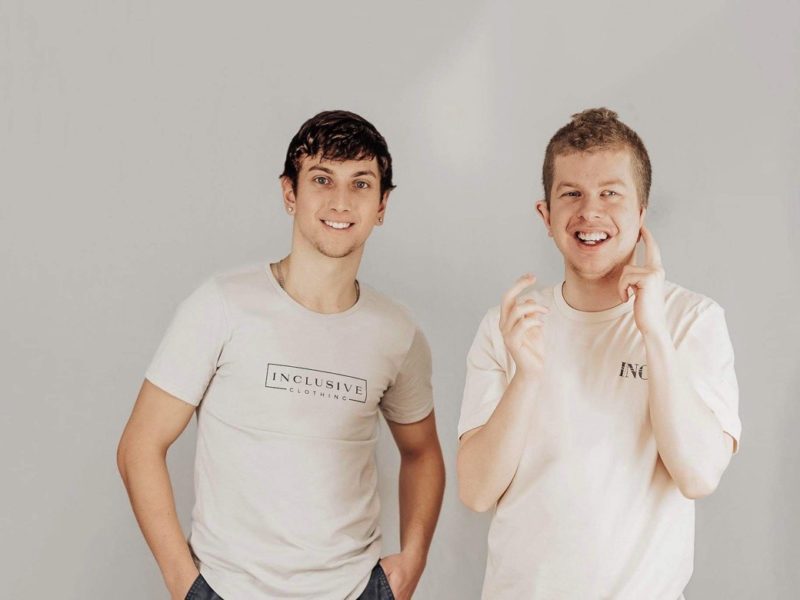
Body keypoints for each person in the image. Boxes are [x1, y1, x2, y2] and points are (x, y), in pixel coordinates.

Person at [117, 110, 445, 600]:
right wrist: (184, 584)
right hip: (230, 589)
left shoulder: (396, 331)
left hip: (356, 590)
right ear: (290, 193)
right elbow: (138, 447)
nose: (340, 201)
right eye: (321, 179)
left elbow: (422, 453)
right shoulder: (222, 305)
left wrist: (412, 561)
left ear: (382, 205)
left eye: (361, 183)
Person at [457, 108, 741, 599]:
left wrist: (653, 335)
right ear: (546, 216)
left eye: (611, 193)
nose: (590, 212)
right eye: (571, 194)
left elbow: (697, 475)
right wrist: (526, 376)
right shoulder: (508, 325)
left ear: (641, 213)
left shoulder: (693, 321)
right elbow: (477, 492)